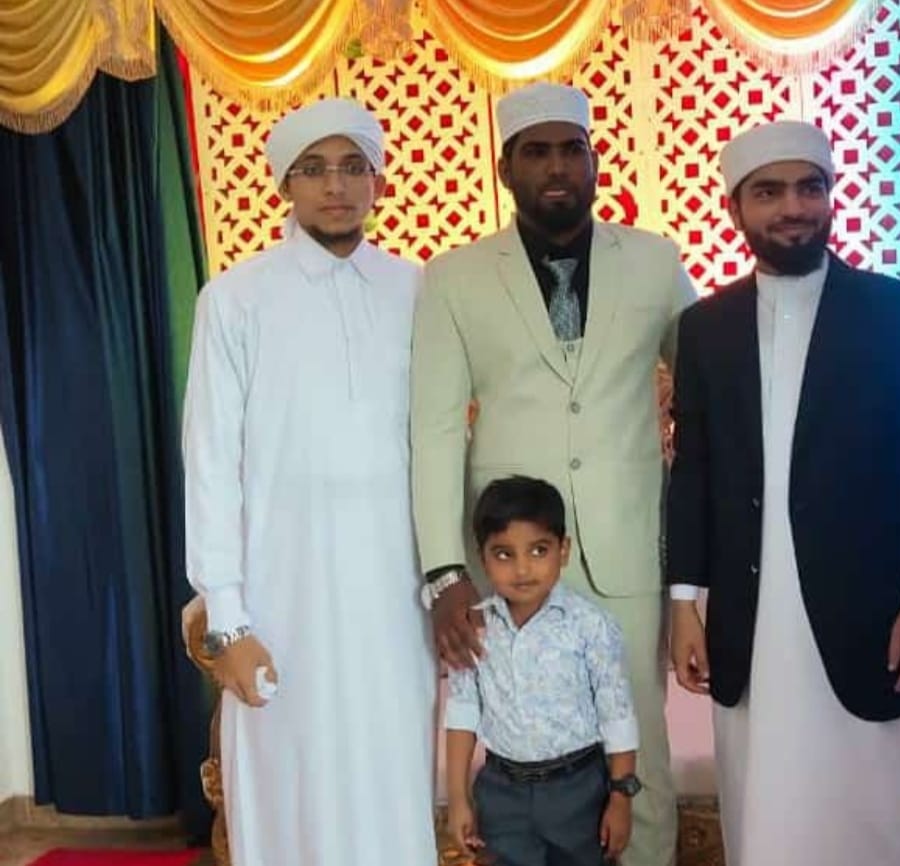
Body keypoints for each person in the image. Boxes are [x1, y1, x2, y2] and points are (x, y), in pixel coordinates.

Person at [411, 82, 696, 866]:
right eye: (536, 152)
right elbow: (434, 432)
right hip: (508, 562)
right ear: (505, 169)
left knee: (641, 758)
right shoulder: (455, 278)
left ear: (595, 160)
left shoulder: (655, 262)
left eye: (573, 149)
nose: (558, 166)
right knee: (516, 758)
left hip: (625, 552)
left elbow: (708, 390)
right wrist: (445, 575)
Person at [666, 120, 900, 866]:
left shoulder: (899, 312)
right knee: (769, 813)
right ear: (735, 208)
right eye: (769, 192)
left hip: (870, 612)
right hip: (751, 611)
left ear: (830, 196)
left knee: (876, 816)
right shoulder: (704, 328)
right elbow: (692, 468)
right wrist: (684, 604)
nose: (793, 207)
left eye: (809, 188)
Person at [182, 98, 437, 866]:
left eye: (354, 166)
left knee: (391, 774)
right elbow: (210, 461)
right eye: (314, 169)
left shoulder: (419, 291)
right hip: (279, 595)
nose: (336, 186)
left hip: (395, 599)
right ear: (283, 185)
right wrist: (228, 622)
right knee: (286, 780)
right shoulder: (235, 299)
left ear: (379, 181)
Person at [445, 475, 641, 865]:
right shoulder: (476, 628)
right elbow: (462, 713)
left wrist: (621, 796)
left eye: (538, 550)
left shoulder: (590, 625)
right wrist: (457, 798)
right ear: (482, 558)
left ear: (563, 550)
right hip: (502, 793)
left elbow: (617, 713)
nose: (522, 569)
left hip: (578, 790)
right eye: (504, 554)